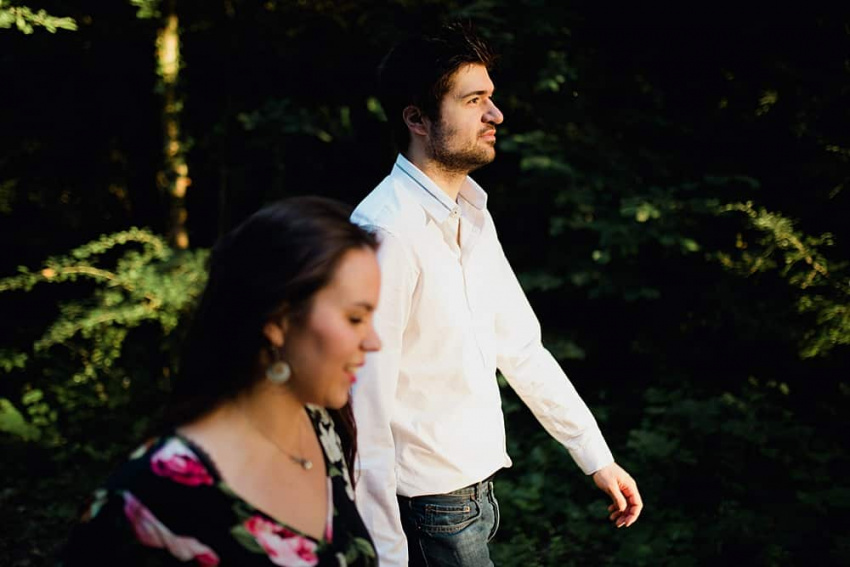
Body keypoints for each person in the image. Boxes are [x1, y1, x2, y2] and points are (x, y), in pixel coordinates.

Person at [350, 23, 643, 566]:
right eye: (474, 100)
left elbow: (521, 348)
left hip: (475, 498)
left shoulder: (470, 213)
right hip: (424, 509)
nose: (495, 115)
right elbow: (362, 406)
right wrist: (386, 552)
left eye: (491, 97)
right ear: (416, 118)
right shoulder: (385, 233)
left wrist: (594, 456)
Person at [61, 197, 382, 566]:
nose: (374, 342)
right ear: (278, 320)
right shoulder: (148, 502)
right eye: (356, 318)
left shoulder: (323, 424)